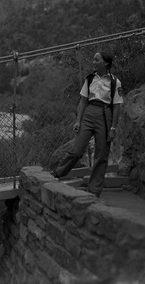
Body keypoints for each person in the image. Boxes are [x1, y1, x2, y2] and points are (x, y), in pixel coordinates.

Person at [51, 51, 124, 197]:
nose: (93, 62)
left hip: (105, 115)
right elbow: (83, 101)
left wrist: (113, 128)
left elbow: (116, 106)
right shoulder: (89, 79)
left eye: (97, 59)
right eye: (93, 59)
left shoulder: (115, 82)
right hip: (89, 113)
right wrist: (78, 120)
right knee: (77, 149)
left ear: (106, 63)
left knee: (101, 154)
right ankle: (58, 173)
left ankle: (94, 190)